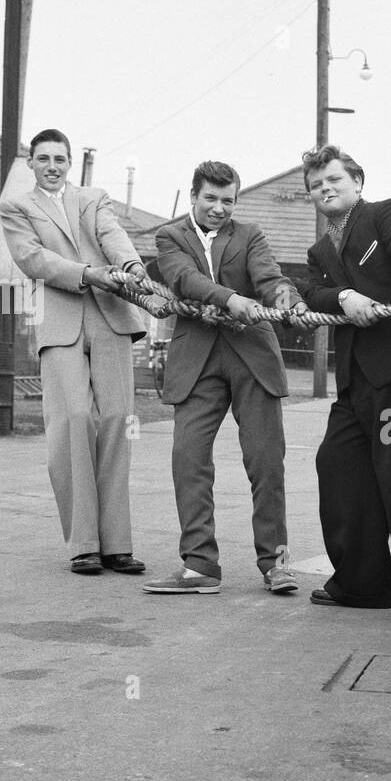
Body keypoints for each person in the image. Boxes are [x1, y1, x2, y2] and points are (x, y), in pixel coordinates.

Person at [144, 160, 309, 595]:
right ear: (194, 196)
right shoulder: (169, 237)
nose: (219, 208)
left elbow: (270, 279)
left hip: (252, 355)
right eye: (211, 199)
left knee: (266, 462)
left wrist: (288, 301)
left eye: (228, 200)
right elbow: (183, 279)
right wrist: (230, 298)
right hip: (197, 360)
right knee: (189, 458)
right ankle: (200, 565)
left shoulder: (250, 235)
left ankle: (276, 563)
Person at [0, 128, 148, 576]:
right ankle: (84, 543)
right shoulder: (16, 207)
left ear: (69, 162)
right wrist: (88, 274)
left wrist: (132, 267)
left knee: (117, 420)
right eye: (42, 158)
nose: (52, 166)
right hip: (61, 324)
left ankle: (116, 544)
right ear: (31, 163)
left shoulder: (93, 198)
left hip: (111, 320)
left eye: (59, 158)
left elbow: (113, 236)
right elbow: (33, 260)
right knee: (73, 421)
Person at [300, 146, 391, 618]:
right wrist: (346, 296)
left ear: (358, 181)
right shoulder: (319, 250)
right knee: (337, 465)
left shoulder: (385, 216)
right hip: (353, 384)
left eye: (333, 179)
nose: (325, 188)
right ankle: (364, 583)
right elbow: (313, 292)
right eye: (316, 184)